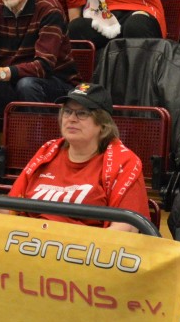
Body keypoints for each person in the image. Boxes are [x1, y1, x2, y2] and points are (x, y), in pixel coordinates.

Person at [9, 83, 149, 232]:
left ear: (103, 124)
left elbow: (128, 227)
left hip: (85, 244)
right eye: (67, 111)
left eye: (82, 113)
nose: (71, 119)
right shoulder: (47, 150)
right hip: (29, 240)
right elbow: (11, 206)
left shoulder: (124, 162)